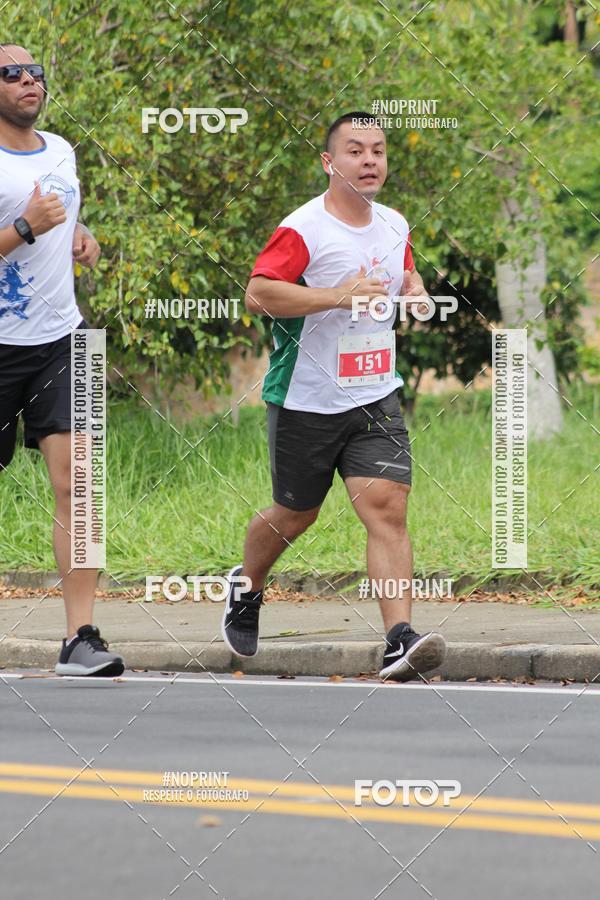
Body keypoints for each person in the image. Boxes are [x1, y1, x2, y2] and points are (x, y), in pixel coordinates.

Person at [221, 111, 446, 682]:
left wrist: (416, 292)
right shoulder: (304, 229)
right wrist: (336, 296)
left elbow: (405, 275)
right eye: (355, 151)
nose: (369, 161)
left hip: (376, 396)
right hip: (306, 398)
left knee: (387, 508)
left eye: (378, 151)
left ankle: (399, 638)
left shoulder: (394, 224)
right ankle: (246, 587)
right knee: (296, 514)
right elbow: (258, 294)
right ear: (329, 162)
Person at [0, 43, 124, 677]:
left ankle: (81, 639)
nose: (29, 81)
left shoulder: (62, 150)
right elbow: (25, 227)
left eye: (36, 72)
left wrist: (82, 238)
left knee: (80, 487)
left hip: (63, 340)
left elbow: (67, 223)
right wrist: (23, 228)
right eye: (12, 73)